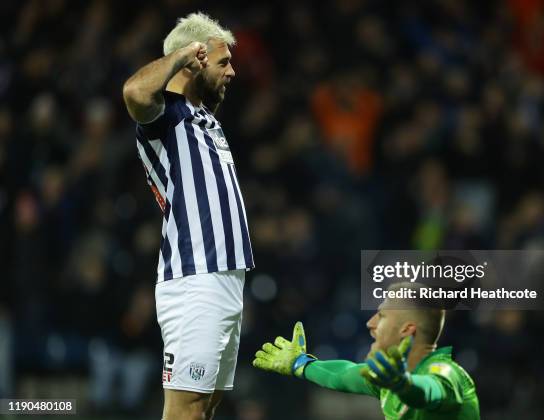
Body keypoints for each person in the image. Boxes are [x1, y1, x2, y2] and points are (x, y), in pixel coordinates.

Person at [122, 12, 254, 420]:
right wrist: (179, 55)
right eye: (223, 62)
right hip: (196, 277)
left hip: (225, 280)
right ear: (194, 61)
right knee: (186, 410)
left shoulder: (205, 120)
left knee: (206, 407)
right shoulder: (168, 115)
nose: (232, 71)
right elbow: (133, 91)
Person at [253, 282, 480, 419]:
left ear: (407, 329)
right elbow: (343, 375)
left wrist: (404, 385)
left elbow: (430, 391)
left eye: (381, 316)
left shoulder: (448, 374)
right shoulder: (387, 376)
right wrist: (300, 364)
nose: (370, 323)